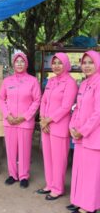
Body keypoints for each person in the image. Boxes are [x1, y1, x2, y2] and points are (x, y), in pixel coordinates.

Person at [37, 53, 78, 201]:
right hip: (45, 126)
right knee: (47, 157)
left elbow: (66, 107)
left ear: (66, 64)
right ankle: (50, 184)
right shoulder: (51, 81)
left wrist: (48, 120)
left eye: (60, 63)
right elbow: (43, 101)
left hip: (59, 127)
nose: (56, 66)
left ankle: (58, 188)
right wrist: (42, 119)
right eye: (54, 63)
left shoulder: (70, 83)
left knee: (58, 159)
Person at [0, 52, 41, 188]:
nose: (19, 64)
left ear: (26, 64)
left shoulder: (32, 81)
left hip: (25, 122)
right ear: (13, 64)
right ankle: (13, 175)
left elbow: (37, 100)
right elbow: (1, 98)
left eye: (22, 61)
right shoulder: (7, 81)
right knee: (11, 149)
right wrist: (7, 115)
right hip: (9, 121)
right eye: (17, 61)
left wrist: (25, 116)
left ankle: (24, 176)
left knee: (24, 149)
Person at [68, 50, 100, 213]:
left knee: (91, 173)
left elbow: (98, 113)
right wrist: (72, 127)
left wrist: (83, 130)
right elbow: (78, 107)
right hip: (79, 134)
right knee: (80, 170)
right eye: (84, 63)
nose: (87, 66)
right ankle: (78, 200)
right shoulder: (85, 83)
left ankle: (88, 206)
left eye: (90, 62)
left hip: (93, 136)